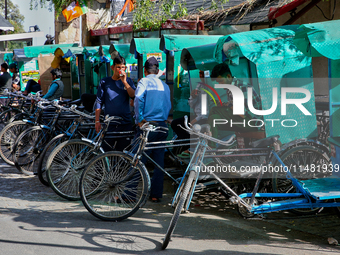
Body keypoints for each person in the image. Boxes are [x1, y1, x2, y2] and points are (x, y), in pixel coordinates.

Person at [134, 57, 171, 202]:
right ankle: (156, 195)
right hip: (162, 126)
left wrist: (139, 119)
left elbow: (138, 98)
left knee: (137, 159)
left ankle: (128, 194)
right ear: (156, 71)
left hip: (148, 126)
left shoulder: (143, 81)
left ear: (144, 70)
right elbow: (168, 106)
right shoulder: (165, 85)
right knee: (158, 162)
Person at [207, 63, 262, 146]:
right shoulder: (230, 88)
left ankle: (210, 148)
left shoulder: (241, 86)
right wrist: (224, 105)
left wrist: (227, 106)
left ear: (228, 76)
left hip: (251, 122)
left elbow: (242, 113)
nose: (220, 85)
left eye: (221, 81)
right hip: (244, 120)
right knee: (213, 119)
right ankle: (210, 148)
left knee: (214, 110)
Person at [94, 55, 136, 151]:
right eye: (118, 67)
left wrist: (124, 82)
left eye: (122, 67)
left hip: (125, 123)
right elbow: (99, 101)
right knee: (106, 151)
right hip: (110, 124)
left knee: (123, 152)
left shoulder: (128, 81)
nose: (120, 70)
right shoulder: (105, 81)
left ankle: (121, 167)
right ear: (113, 68)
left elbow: (133, 96)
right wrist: (97, 121)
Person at [171, 70, 209, 158]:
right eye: (200, 73)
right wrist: (193, 97)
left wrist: (193, 121)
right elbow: (191, 104)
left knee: (185, 127)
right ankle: (186, 144)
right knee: (175, 123)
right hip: (197, 115)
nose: (201, 76)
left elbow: (204, 114)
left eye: (203, 74)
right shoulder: (200, 86)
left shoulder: (208, 88)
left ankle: (189, 147)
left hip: (202, 118)